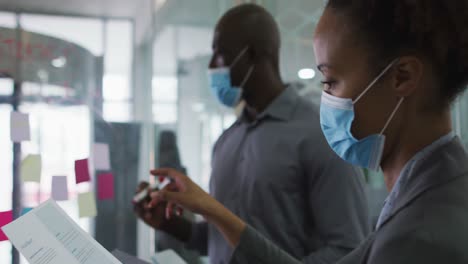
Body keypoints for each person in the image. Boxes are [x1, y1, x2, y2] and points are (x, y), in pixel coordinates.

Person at [148, 0, 468, 263]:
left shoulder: (420, 238)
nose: (325, 98)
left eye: (330, 82)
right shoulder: (419, 199)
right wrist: (204, 213)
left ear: (401, 77)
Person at [134, 3, 370, 264]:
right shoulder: (227, 141)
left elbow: (348, 250)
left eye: (220, 54)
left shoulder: (320, 135)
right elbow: (223, 239)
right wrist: (170, 224)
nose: (212, 65)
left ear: (255, 55)